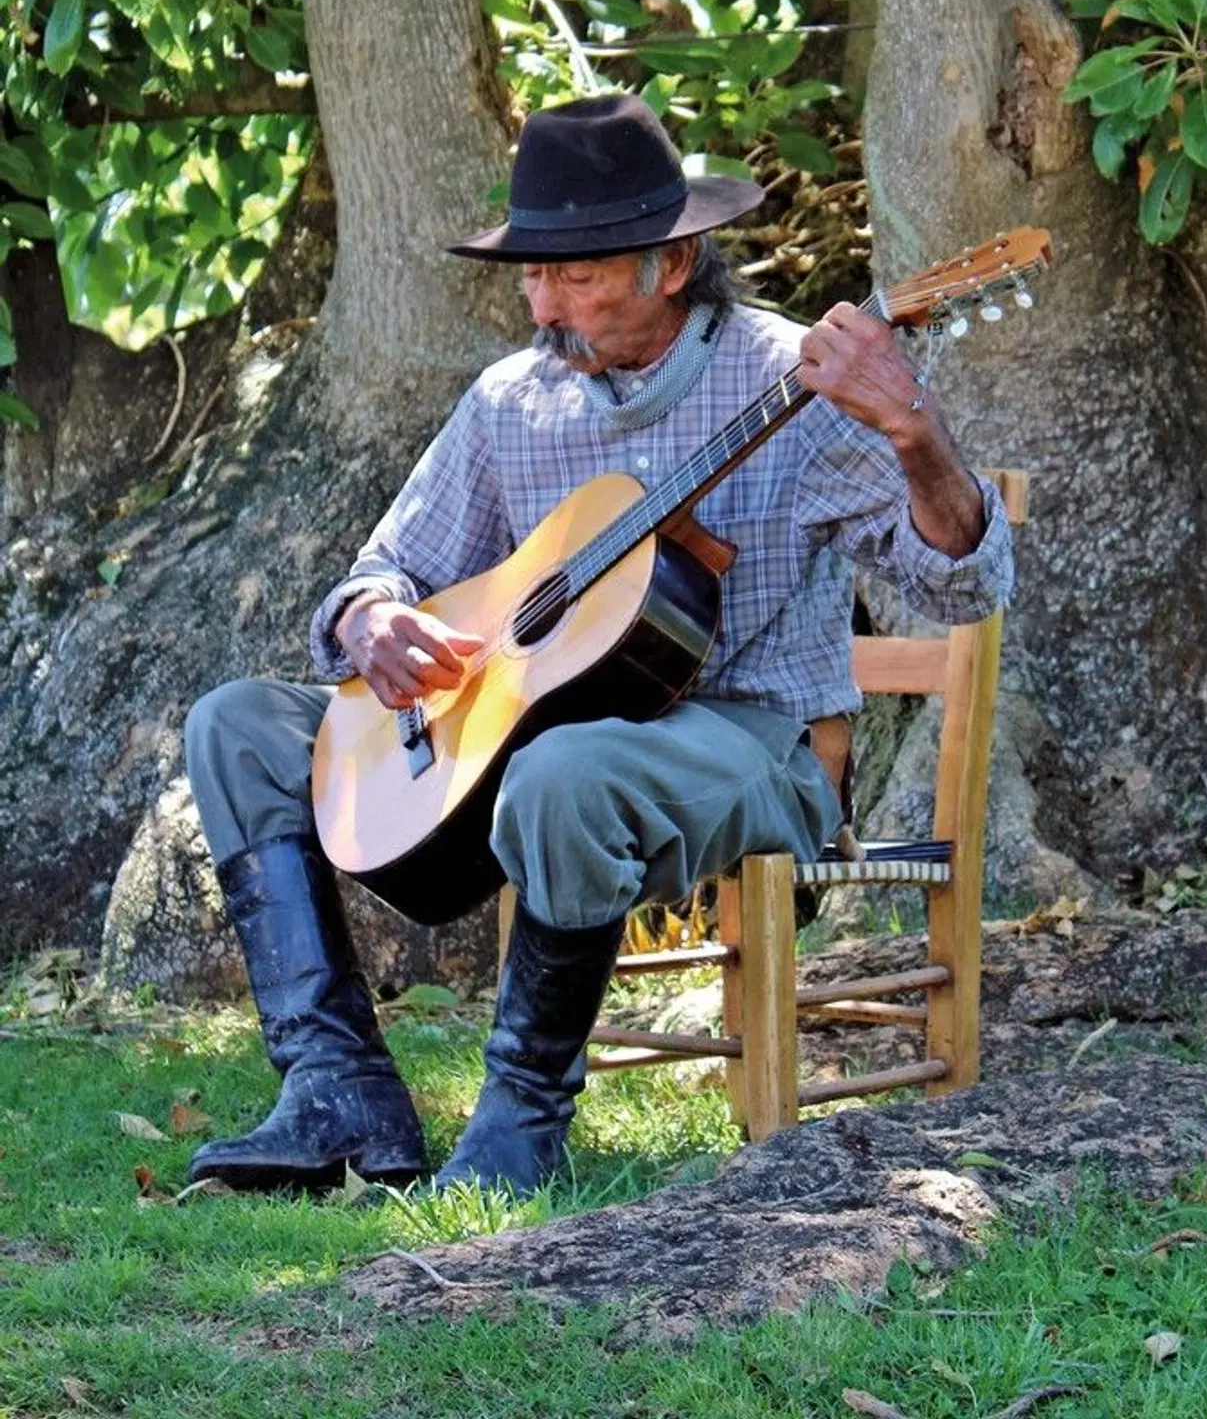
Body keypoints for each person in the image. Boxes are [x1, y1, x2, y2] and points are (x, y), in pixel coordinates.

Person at [184, 93, 1014, 1196]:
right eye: (532, 271)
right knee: (237, 725)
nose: (543, 301)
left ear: (671, 265)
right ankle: (338, 1093)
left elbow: (970, 582)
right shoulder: (510, 403)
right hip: (529, 743)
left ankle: (521, 1116)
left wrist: (914, 429)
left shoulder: (794, 382)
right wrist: (370, 619)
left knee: (562, 770)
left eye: (575, 276)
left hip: (751, 743)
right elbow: (375, 572)